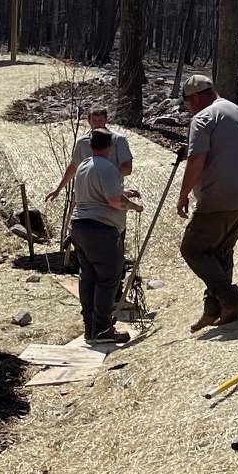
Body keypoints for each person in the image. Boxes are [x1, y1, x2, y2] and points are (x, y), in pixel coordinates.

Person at [176, 73, 238, 332]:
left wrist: (183, 195)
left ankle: (232, 300)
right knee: (219, 252)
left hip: (221, 197)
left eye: (188, 102)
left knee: (193, 248)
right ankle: (213, 309)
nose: (188, 108)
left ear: (197, 97)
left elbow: (197, 161)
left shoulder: (203, 117)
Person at [69, 129, 141, 343]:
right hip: (101, 229)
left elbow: (95, 193)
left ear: (91, 145)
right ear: (110, 146)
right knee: (108, 278)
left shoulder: (84, 166)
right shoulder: (108, 167)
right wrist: (134, 206)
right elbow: (114, 202)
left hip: (79, 226)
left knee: (88, 277)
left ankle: (90, 328)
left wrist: (122, 193)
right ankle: (102, 328)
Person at [47, 106, 133, 206]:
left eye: (100, 120)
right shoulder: (82, 142)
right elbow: (74, 167)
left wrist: (107, 180)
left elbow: (127, 168)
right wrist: (58, 189)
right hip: (86, 197)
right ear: (88, 121)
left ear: (106, 120)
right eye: (94, 120)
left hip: (111, 195)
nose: (97, 123)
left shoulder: (118, 140)